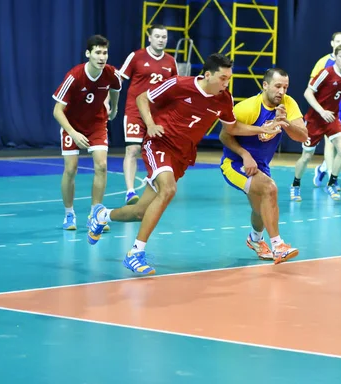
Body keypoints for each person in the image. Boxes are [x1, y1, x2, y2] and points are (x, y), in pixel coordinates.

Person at [86, 53, 285, 275]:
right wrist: (150, 124)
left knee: (141, 212)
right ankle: (135, 253)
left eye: (229, 79)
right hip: (159, 144)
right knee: (169, 189)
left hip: (182, 155)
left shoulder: (224, 99)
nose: (226, 83)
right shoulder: (179, 85)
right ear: (208, 75)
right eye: (222, 78)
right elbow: (142, 98)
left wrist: (262, 129)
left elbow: (232, 128)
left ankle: (102, 215)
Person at [219, 68, 308, 264]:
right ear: (265, 85)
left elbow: (303, 136)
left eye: (285, 87)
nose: (282, 91)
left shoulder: (288, 104)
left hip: (261, 165)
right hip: (235, 163)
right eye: (277, 86)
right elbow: (224, 135)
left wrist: (286, 122)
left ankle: (255, 240)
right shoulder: (247, 108)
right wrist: (245, 155)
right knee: (270, 189)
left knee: (261, 209)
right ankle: (278, 246)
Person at [52, 34, 122, 230]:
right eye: (97, 53)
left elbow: (116, 89)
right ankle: (69, 214)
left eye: (105, 53)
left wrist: (114, 108)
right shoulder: (74, 76)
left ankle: (96, 214)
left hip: (97, 124)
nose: (102, 57)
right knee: (71, 169)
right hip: (72, 125)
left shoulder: (111, 73)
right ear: (88, 54)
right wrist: (73, 133)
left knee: (101, 166)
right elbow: (57, 111)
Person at [119, 24, 178, 205]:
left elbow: (175, 88)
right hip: (135, 111)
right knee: (133, 149)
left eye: (164, 37)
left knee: (157, 152)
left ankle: (153, 185)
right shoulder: (136, 57)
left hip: (158, 115)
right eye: (158, 36)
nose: (161, 40)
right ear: (150, 38)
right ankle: (130, 192)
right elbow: (118, 79)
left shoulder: (170, 62)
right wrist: (107, 101)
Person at [291, 43, 341, 201]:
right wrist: (321, 111)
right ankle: (295, 185)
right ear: (335, 56)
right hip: (315, 120)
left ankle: (331, 183)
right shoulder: (326, 73)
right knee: (307, 156)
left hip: (332, 119)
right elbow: (307, 93)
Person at [311, 32, 341, 191]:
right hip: (327, 108)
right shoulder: (323, 62)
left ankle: (324, 169)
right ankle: (332, 179)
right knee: (329, 142)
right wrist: (319, 108)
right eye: (338, 41)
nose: (340, 43)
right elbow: (312, 87)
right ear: (332, 43)